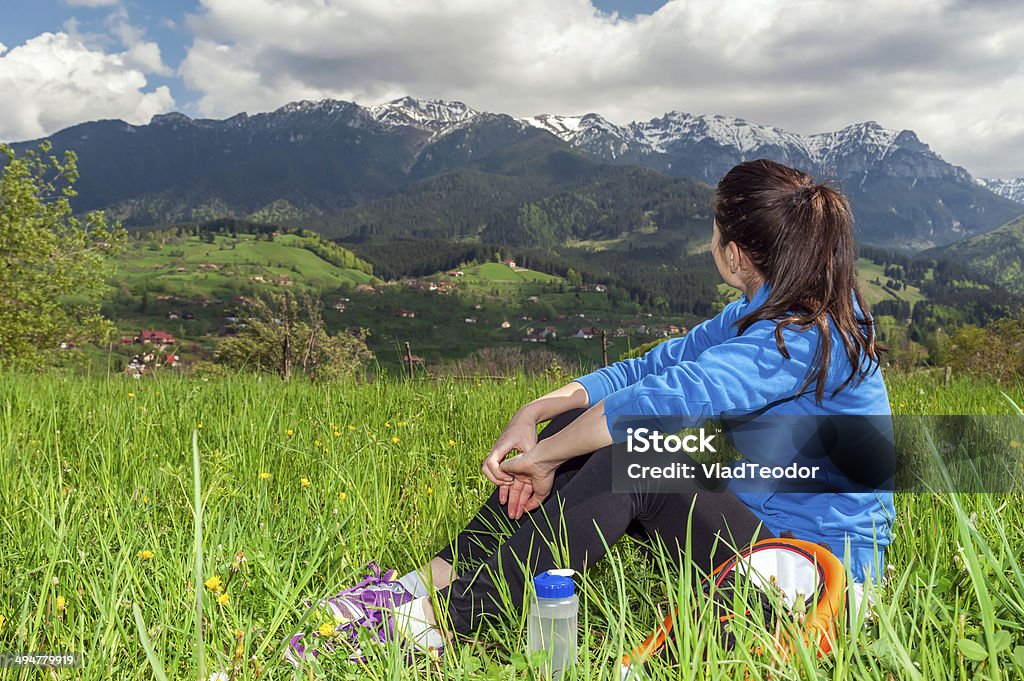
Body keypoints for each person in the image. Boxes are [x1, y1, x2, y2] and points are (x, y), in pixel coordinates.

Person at [285, 158, 895, 664]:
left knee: (630, 451)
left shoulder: (807, 332)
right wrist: (537, 412)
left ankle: (436, 624)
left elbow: (666, 401)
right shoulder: (765, 310)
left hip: (814, 578)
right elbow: (647, 369)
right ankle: (420, 587)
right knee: (583, 430)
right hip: (757, 534)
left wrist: (542, 459)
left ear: (734, 253)